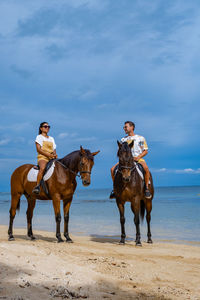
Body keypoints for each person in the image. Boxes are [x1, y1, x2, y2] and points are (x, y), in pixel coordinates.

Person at [110, 121, 152, 199]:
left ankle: (146, 188)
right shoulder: (123, 139)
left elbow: (145, 151)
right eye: (124, 127)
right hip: (125, 160)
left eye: (126, 127)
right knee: (112, 169)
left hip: (137, 159)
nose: (124, 128)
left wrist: (138, 157)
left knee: (146, 169)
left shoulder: (140, 138)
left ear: (132, 127)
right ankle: (115, 189)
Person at [32, 122, 57, 194]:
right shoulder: (39, 137)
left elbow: (54, 149)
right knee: (43, 168)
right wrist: (48, 155)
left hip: (51, 158)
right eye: (45, 126)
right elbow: (38, 149)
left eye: (48, 126)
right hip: (43, 157)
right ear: (41, 128)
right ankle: (37, 186)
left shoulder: (51, 138)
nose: (47, 128)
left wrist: (55, 154)